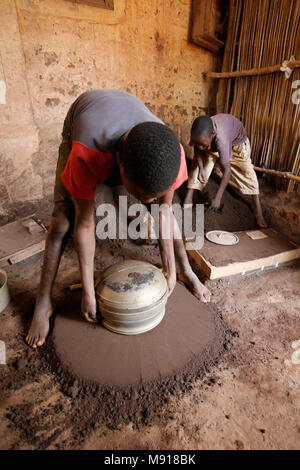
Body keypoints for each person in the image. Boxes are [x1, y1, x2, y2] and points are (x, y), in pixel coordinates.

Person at [26, 89, 211, 348]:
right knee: (63, 220)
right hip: (84, 119)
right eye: (140, 195)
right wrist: (89, 292)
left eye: (152, 196)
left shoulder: (173, 156)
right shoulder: (85, 153)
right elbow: (85, 223)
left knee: (167, 211)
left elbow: (165, 212)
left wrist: (169, 271)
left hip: (126, 118)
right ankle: (43, 302)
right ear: (118, 164)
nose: (147, 202)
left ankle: (186, 271)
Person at [184, 114, 267, 228]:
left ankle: (258, 211)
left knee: (247, 174)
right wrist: (202, 169)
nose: (199, 147)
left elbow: (227, 171)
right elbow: (197, 148)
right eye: (197, 143)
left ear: (212, 135)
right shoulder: (201, 134)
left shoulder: (220, 140)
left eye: (202, 144)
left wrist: (217, 198)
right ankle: (189, 197)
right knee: (197, 165)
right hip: (215, 143)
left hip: (237, 146)